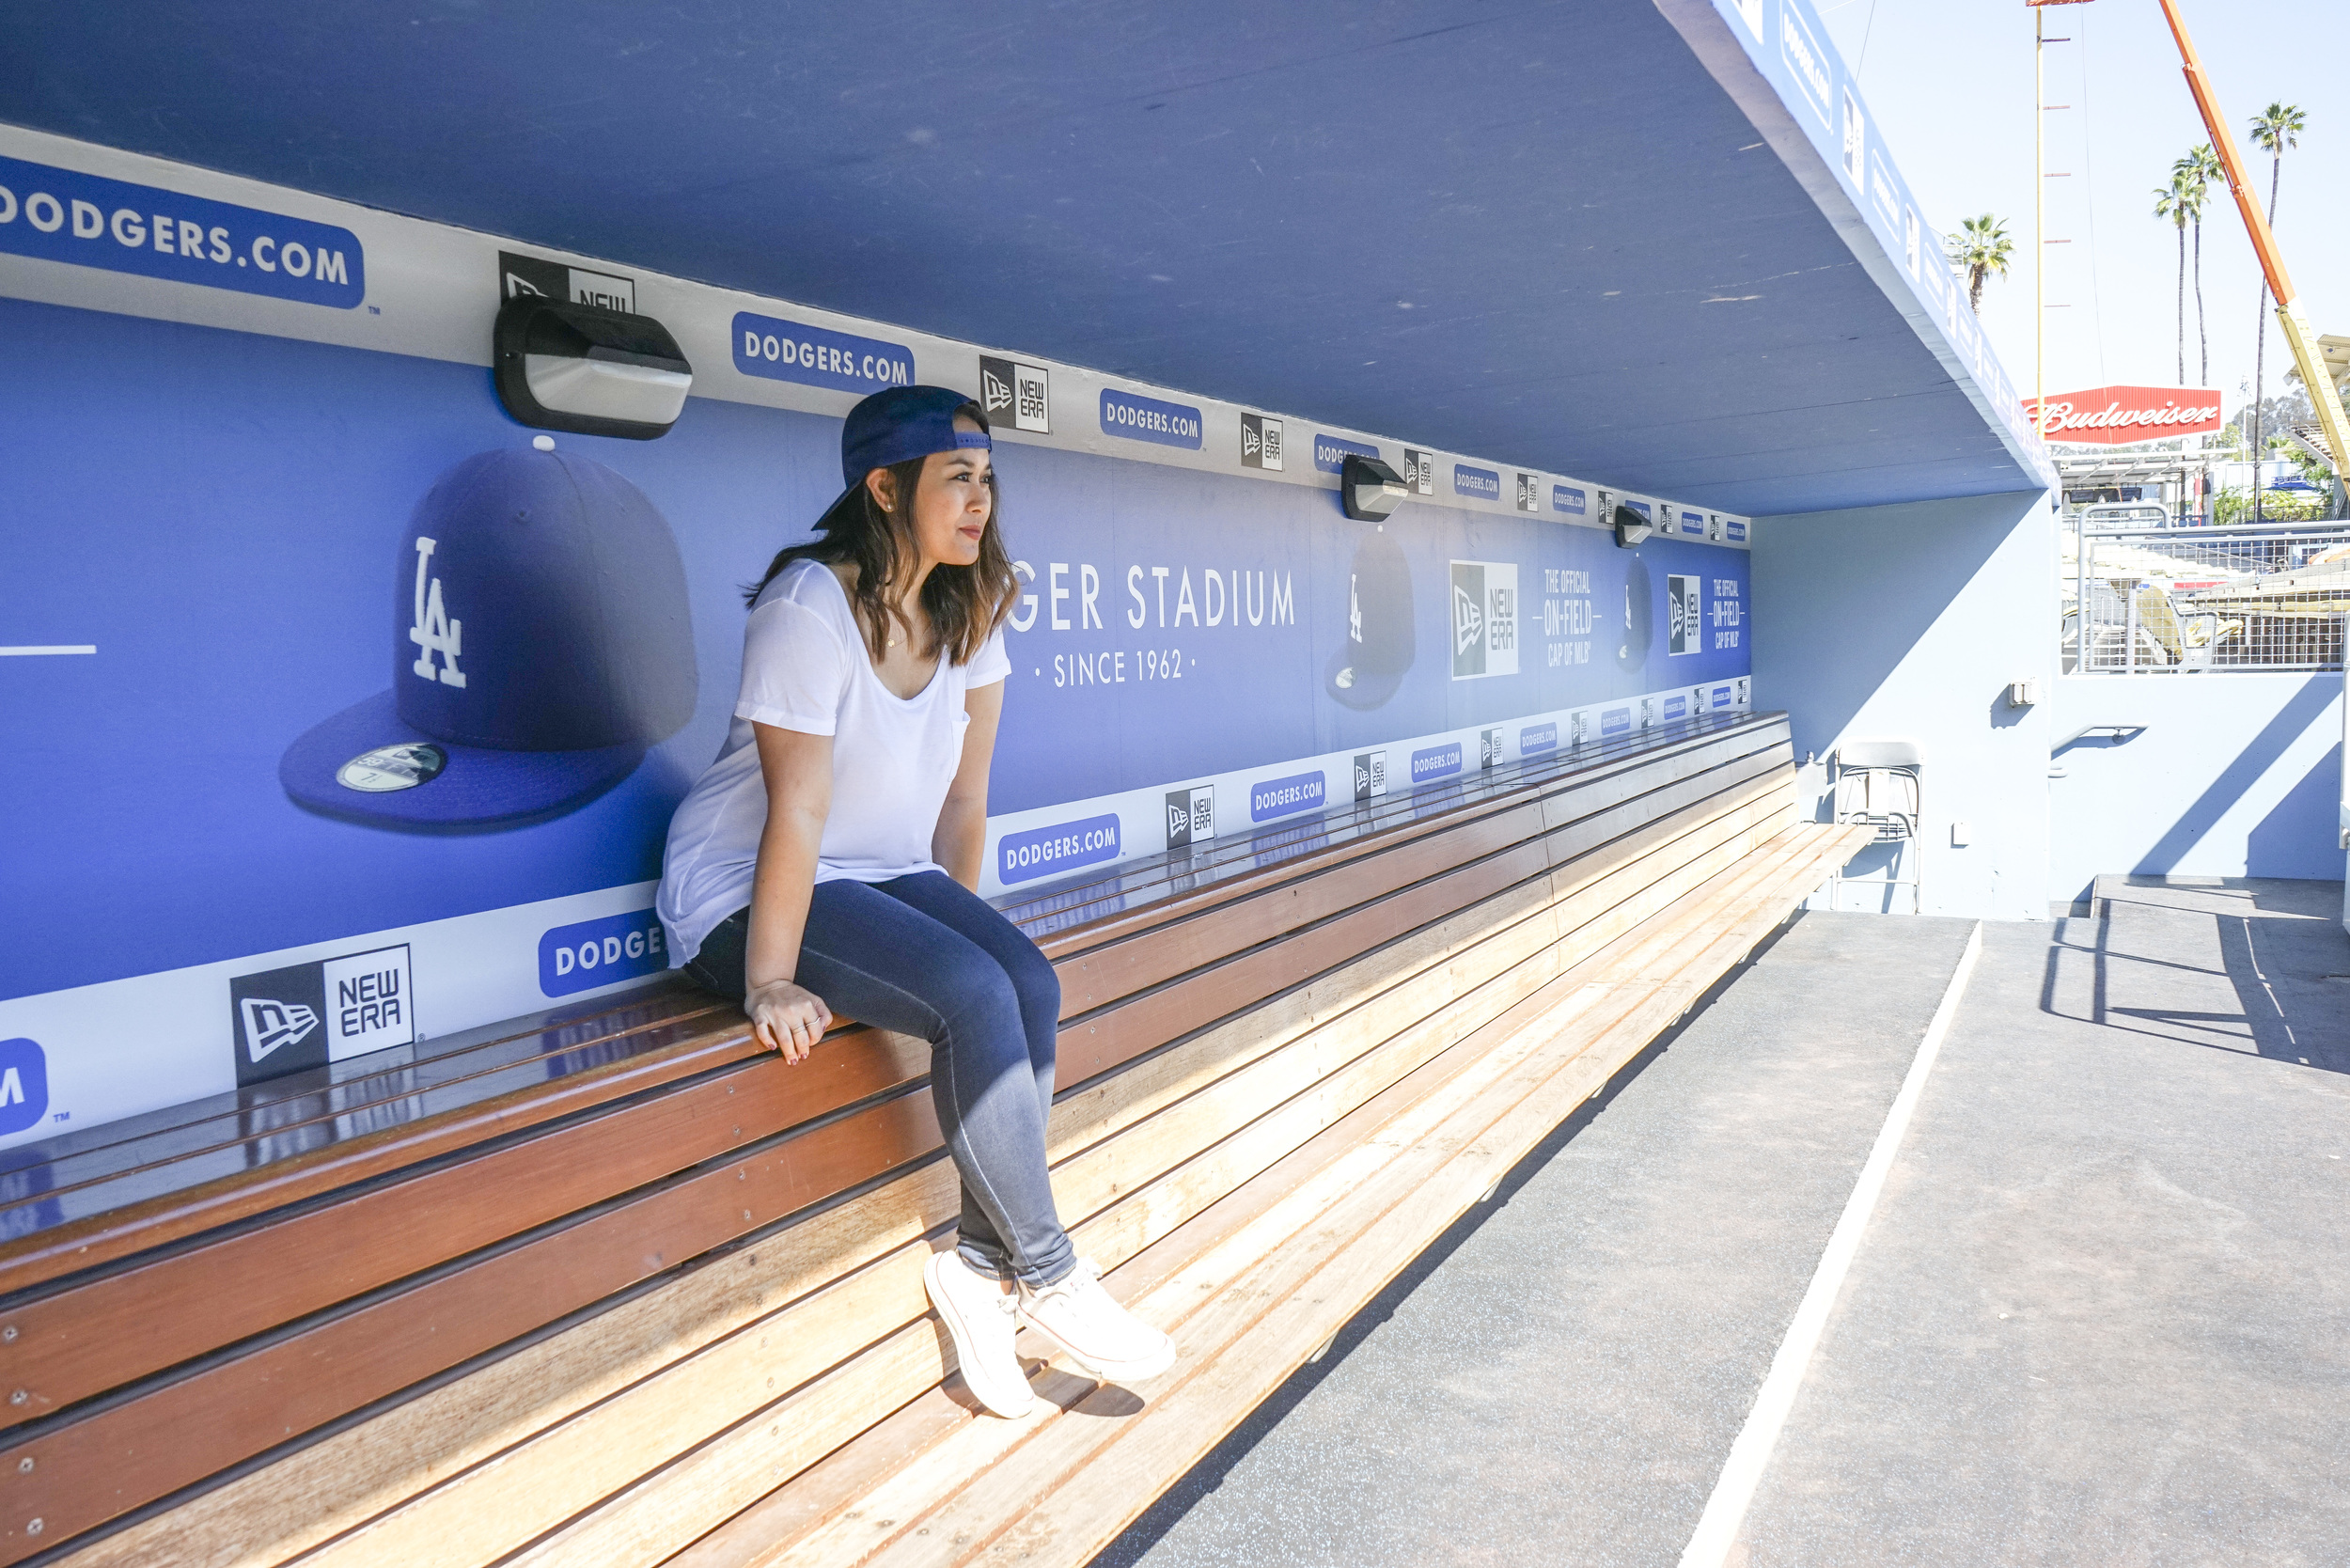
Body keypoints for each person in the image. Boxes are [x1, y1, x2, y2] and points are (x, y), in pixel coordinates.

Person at [656, 385, 1174, 1418]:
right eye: (956, 478)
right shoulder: (808, 605)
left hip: (881, 873)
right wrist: (767, 981)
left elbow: (966, 799)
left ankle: (976, 1272)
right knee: (975, 995)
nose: (980, 500)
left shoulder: (970, 606)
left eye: (987, 479)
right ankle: (1048, 1272)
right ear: (883, 487)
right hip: (739, 889)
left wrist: (956, 940)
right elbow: (796, 816)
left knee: (1021, 979)